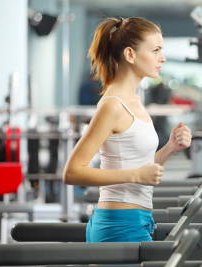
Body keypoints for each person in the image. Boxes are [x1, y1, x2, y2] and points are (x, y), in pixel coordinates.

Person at [63, 17, 192, 242]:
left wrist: (170, 147)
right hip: (118, 224)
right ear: (130, 54)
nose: (162, 57)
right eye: (155, 50)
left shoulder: (133, 100)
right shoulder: (113, 105)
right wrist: (135, 175)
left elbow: (140, 167)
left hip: (138, 217)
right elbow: (72, 172)